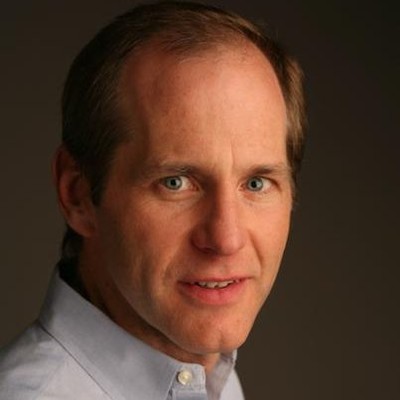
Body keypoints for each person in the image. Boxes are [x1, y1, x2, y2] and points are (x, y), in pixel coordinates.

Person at [0, 1, 306, 399]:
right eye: (176, 183)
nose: (226, 239)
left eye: (256, 183)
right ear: (78, 194)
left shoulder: (211, 381)